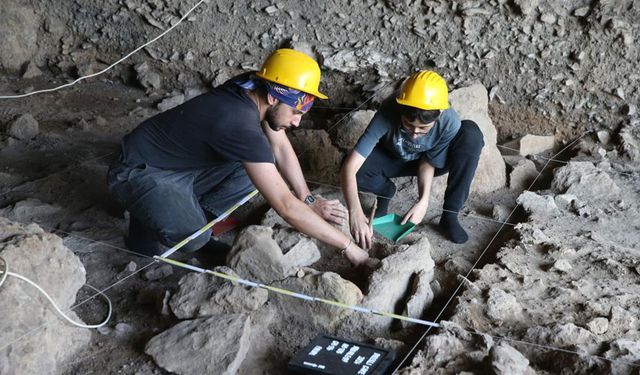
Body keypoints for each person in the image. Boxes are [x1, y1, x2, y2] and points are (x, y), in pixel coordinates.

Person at [107, 48, 369, 266]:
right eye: (295, 112)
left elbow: (278, 146)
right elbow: (286, 207)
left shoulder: (252, 86)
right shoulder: (238, 124)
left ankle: (183, 214)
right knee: (194, 238)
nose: (298, 122)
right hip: (137, 171)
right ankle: (150, 220)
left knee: (254, 168)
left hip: (175, 161)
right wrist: (348, 247)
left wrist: (308, 198)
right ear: (273, 97)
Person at [340, 70, 484, 248]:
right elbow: (350, 166)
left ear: (439, 114)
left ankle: (450, 215)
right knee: (354, 169)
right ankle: (385, 193)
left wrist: (423, 201)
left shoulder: (449, 121)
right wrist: (355, 212)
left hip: (427, 161)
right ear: (401, 110)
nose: (415, 134)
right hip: (393, 156)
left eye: (423, 129)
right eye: (408, 125)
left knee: (471, 134)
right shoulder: (388, 110)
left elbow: (429, 161)